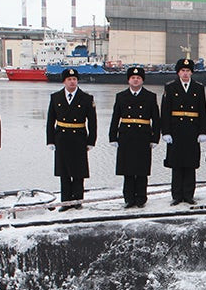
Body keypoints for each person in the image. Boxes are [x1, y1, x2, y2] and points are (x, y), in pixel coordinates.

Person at [46, 68, 97, 210]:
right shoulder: (55, 97)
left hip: (79, 137)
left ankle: (77, 200)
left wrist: (91, 141)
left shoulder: (86, 98)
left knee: (78, 171)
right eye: (69, 79)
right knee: (64, 172)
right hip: (61, 137)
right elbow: (51, 120)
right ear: (64, 81)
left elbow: (92, 122)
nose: (72, 82)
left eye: (74, 79)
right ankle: (66, 201)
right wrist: (50, 140)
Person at [109, 66, 160, 208]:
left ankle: (141, 198)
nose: (135, 80)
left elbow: (156, 119)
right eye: (133, 78)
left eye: (138, 78)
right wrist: (113, 137)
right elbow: (115, 118)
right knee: (128, 169)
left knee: (142, 169)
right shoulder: (121, 96)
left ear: (142, 80)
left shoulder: (150, 96)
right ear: (128, 80)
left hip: (143, 136)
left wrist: (155, 138)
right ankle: (129, 198)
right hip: (126, 136)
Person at [160, 58, 206, 205]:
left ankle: (188, 195)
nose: (185, 74)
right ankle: (177, 195)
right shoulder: (170, 88)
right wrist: (165, 132)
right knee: (176, 164)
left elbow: (202, 111)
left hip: (192, 131)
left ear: (192, 72)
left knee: (190, 164)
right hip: (175, 131)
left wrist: (202, 131)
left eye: (188, 71)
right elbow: (165, 111)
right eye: (183, 71)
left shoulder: (198, 88)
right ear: (178, 72)